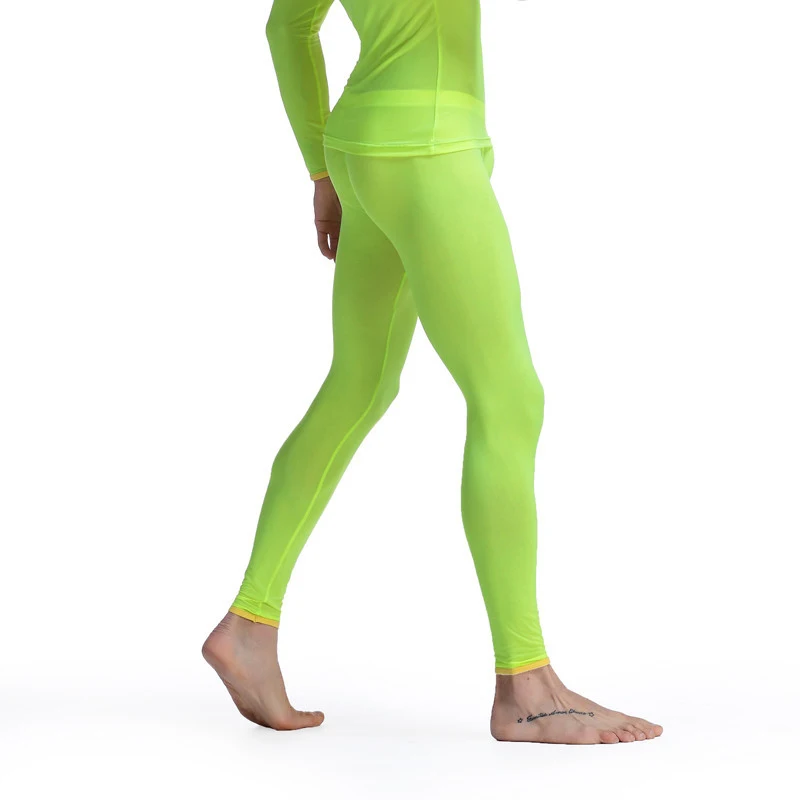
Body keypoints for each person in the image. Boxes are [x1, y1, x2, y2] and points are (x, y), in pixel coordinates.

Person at [202, 0, 663, 745]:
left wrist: (322, 169)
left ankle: (249, 624)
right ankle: (527, 687)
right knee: (508, 399)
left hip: (363, 148)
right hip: (431, 151)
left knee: (358, 385)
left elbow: (287, 24)